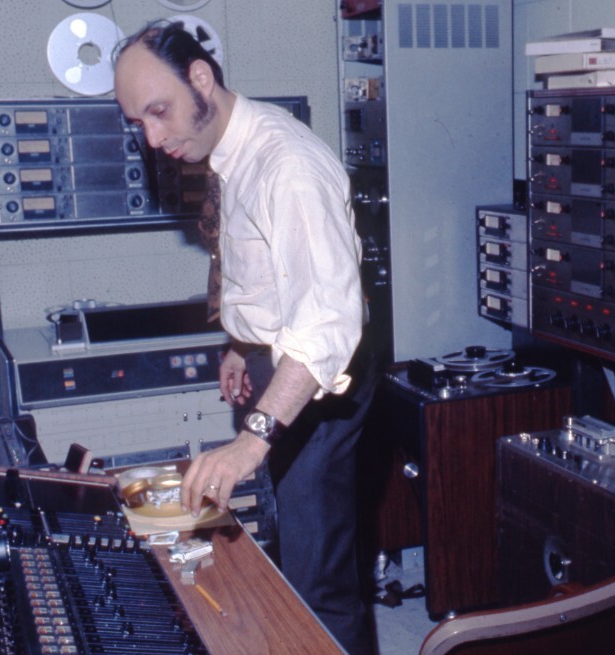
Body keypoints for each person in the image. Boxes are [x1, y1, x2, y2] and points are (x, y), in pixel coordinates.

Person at [113, 21, 376, 655]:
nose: (153, 139)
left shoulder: (288, 166)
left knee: (319, 579)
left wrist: (250, 440)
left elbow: (326, 324)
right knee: (289, 555)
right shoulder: (233, 148)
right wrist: (242, 343)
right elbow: (264, 266)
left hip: (316, 382)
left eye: (159, 112)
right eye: (139, 123)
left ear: (201, 79)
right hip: (274, 362)